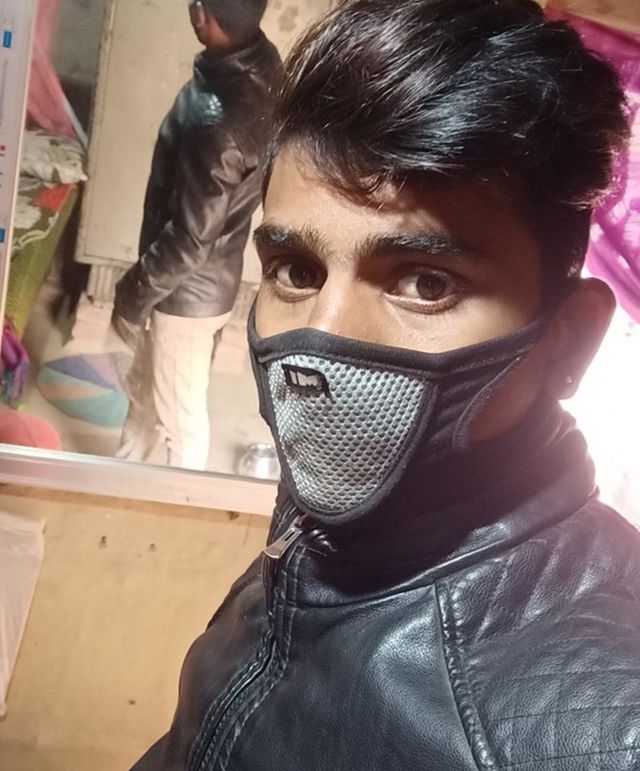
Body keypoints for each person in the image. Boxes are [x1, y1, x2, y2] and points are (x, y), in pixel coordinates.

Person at [132, 1, 640, 769]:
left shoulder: (599, 729)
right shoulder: (323, 535)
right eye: (296, 270)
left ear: (565, 338)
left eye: (425, 282)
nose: (322, 337)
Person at [112, 0, 282, 470]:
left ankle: (178, 502)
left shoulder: (216, 124)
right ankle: (125, 477)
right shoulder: (264, 67)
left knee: (180, 423)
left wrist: (132, 294)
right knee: (146, 397)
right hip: (205, 285)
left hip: (183, 300)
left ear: (203, 15)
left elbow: (188, 242)